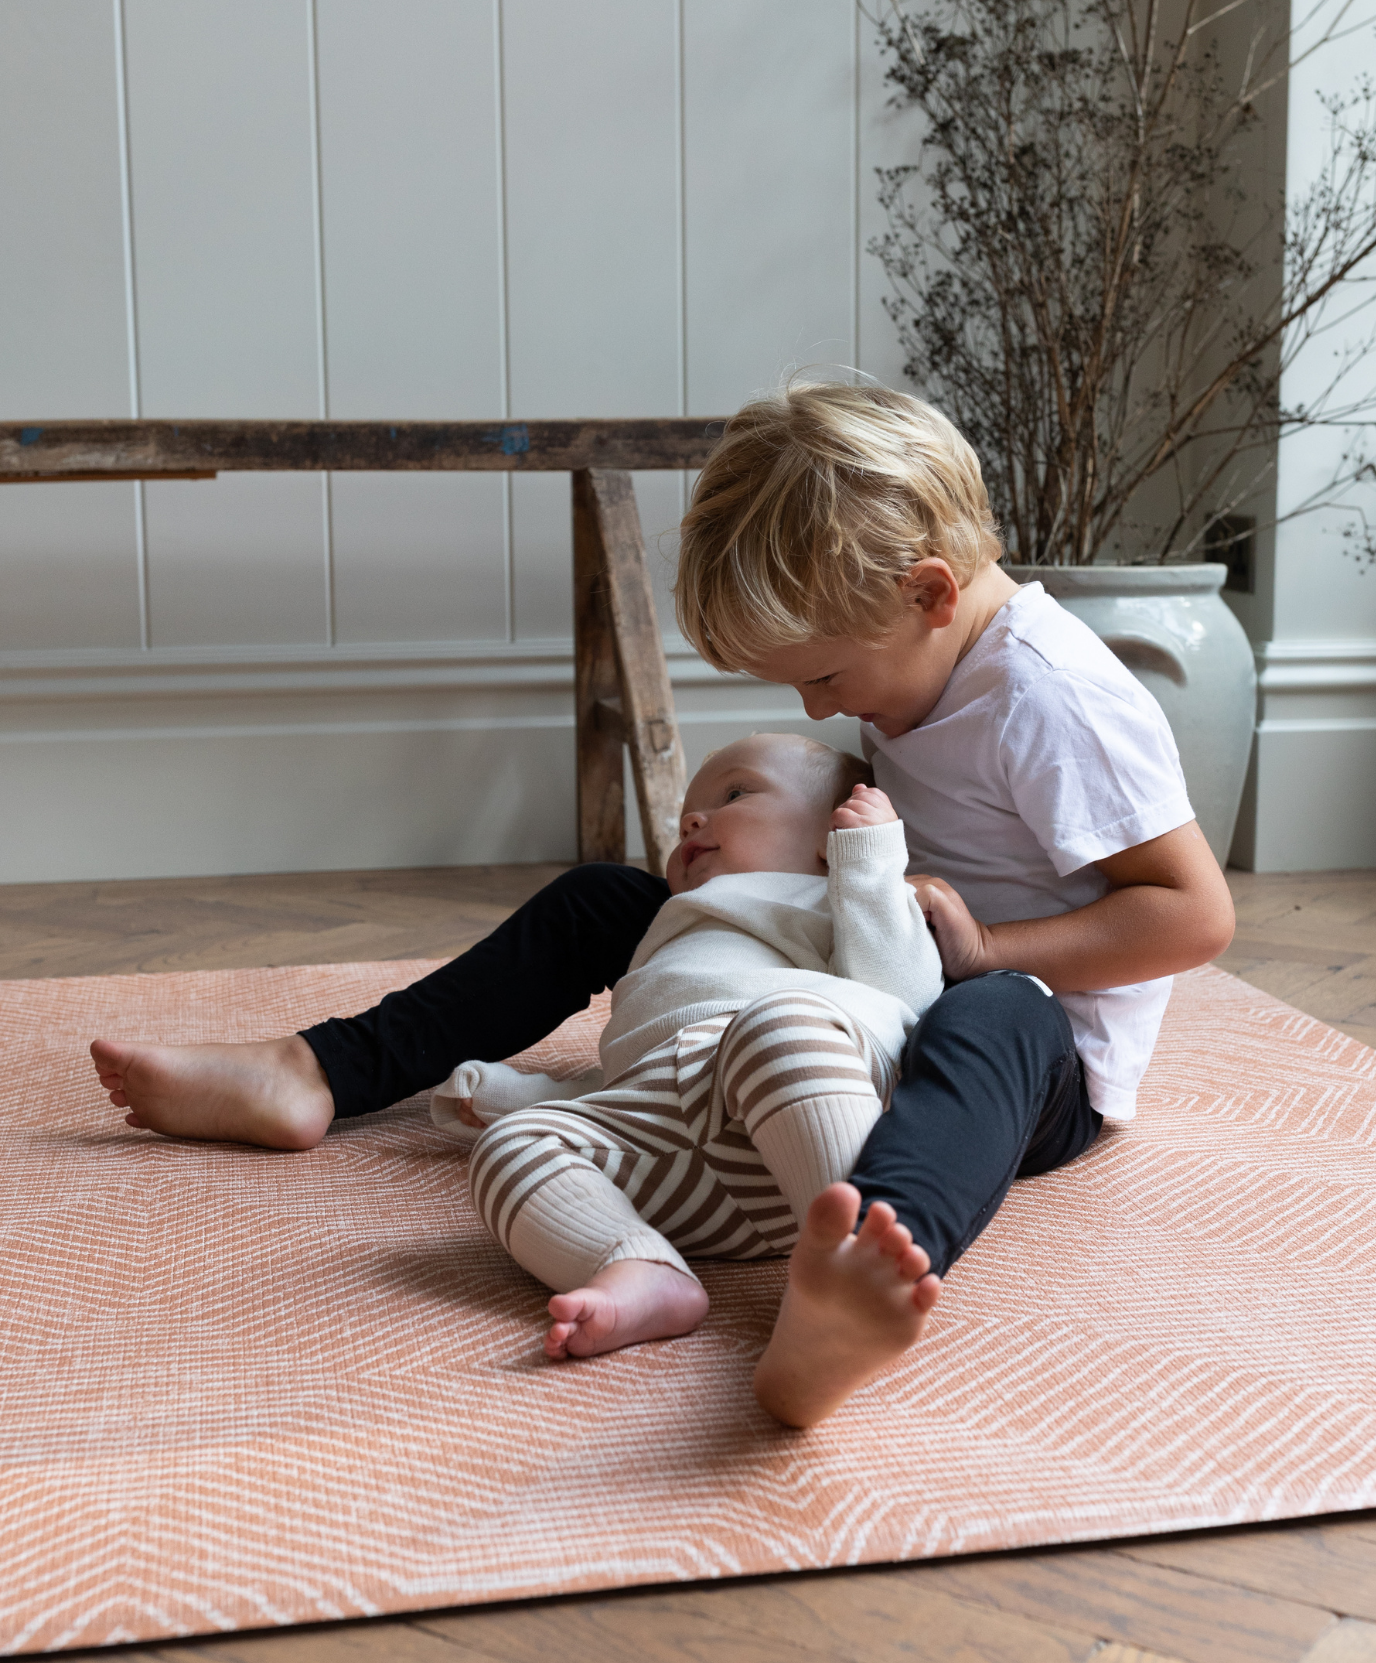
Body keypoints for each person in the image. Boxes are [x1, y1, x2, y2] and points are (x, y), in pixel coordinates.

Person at [90, 380, 1236, 1427]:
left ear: (929, 592)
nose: (813, 700)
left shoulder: (1051, 696)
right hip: (869, 976)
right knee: (607, 900)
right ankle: (320, 1068)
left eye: (823, 677)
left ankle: (861, 1262)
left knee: (1005, 1016)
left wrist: (991, 951)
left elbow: (1190, 916)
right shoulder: (923, 661)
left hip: (1022, 1044)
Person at [433, 732, 946, 1367]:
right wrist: (534, 1098)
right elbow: (633, 1072)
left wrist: (867, 861)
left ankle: (853, 1244)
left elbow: (906, 992)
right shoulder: (670, 931)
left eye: (736, 793)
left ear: (828, 835)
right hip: (691, 1174)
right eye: (685, 821)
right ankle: (639, 1263)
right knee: (510, 1150)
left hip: (809, 1105)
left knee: (775, 1025)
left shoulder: (839, 895)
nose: (693, 821)